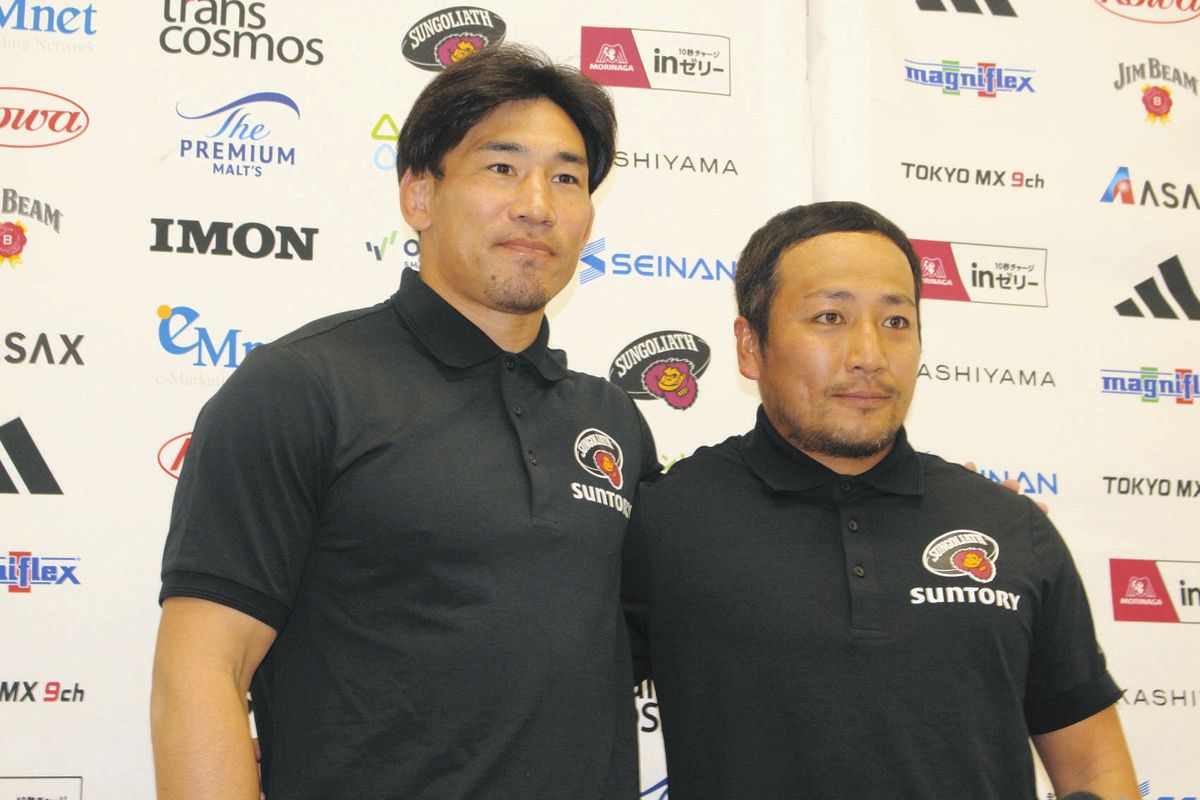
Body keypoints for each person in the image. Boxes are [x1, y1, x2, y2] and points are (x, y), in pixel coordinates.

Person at [150, 44, 659, 799]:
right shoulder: (302, 386)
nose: (537, 204)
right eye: (501, 167)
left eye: (567, 178)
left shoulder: (610, 419)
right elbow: (199, 673)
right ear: (419, 196)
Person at [621, 201, 1139, 799]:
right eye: (830, 317)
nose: (869, 354)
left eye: (896, 321)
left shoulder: (1007, 525)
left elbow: (1096, 768)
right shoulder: (668, 521)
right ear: (749, 345)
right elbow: (557, 708)